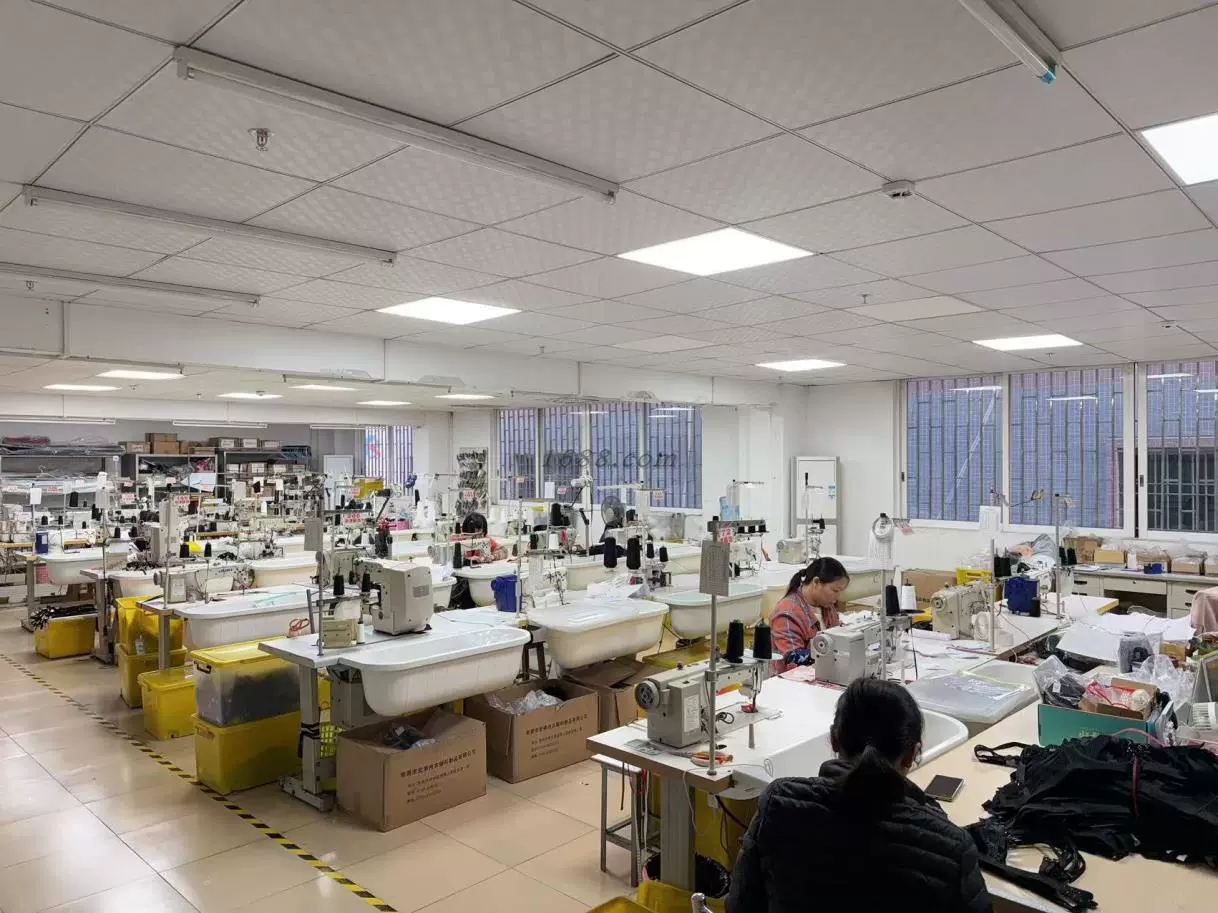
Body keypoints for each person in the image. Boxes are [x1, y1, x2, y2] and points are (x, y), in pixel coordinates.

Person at [727, 678, 992, 913]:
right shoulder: (951, 846)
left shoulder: (779, 805)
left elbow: (741, 906)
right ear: (912, 754)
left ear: (834, 739)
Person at [769, 557, 849, 666]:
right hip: (794, 674)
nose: (838, 596)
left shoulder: (826, 605)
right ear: (816, 582)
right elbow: (793, 657)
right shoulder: (787, 613)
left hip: (822, 669)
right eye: (835, 590)